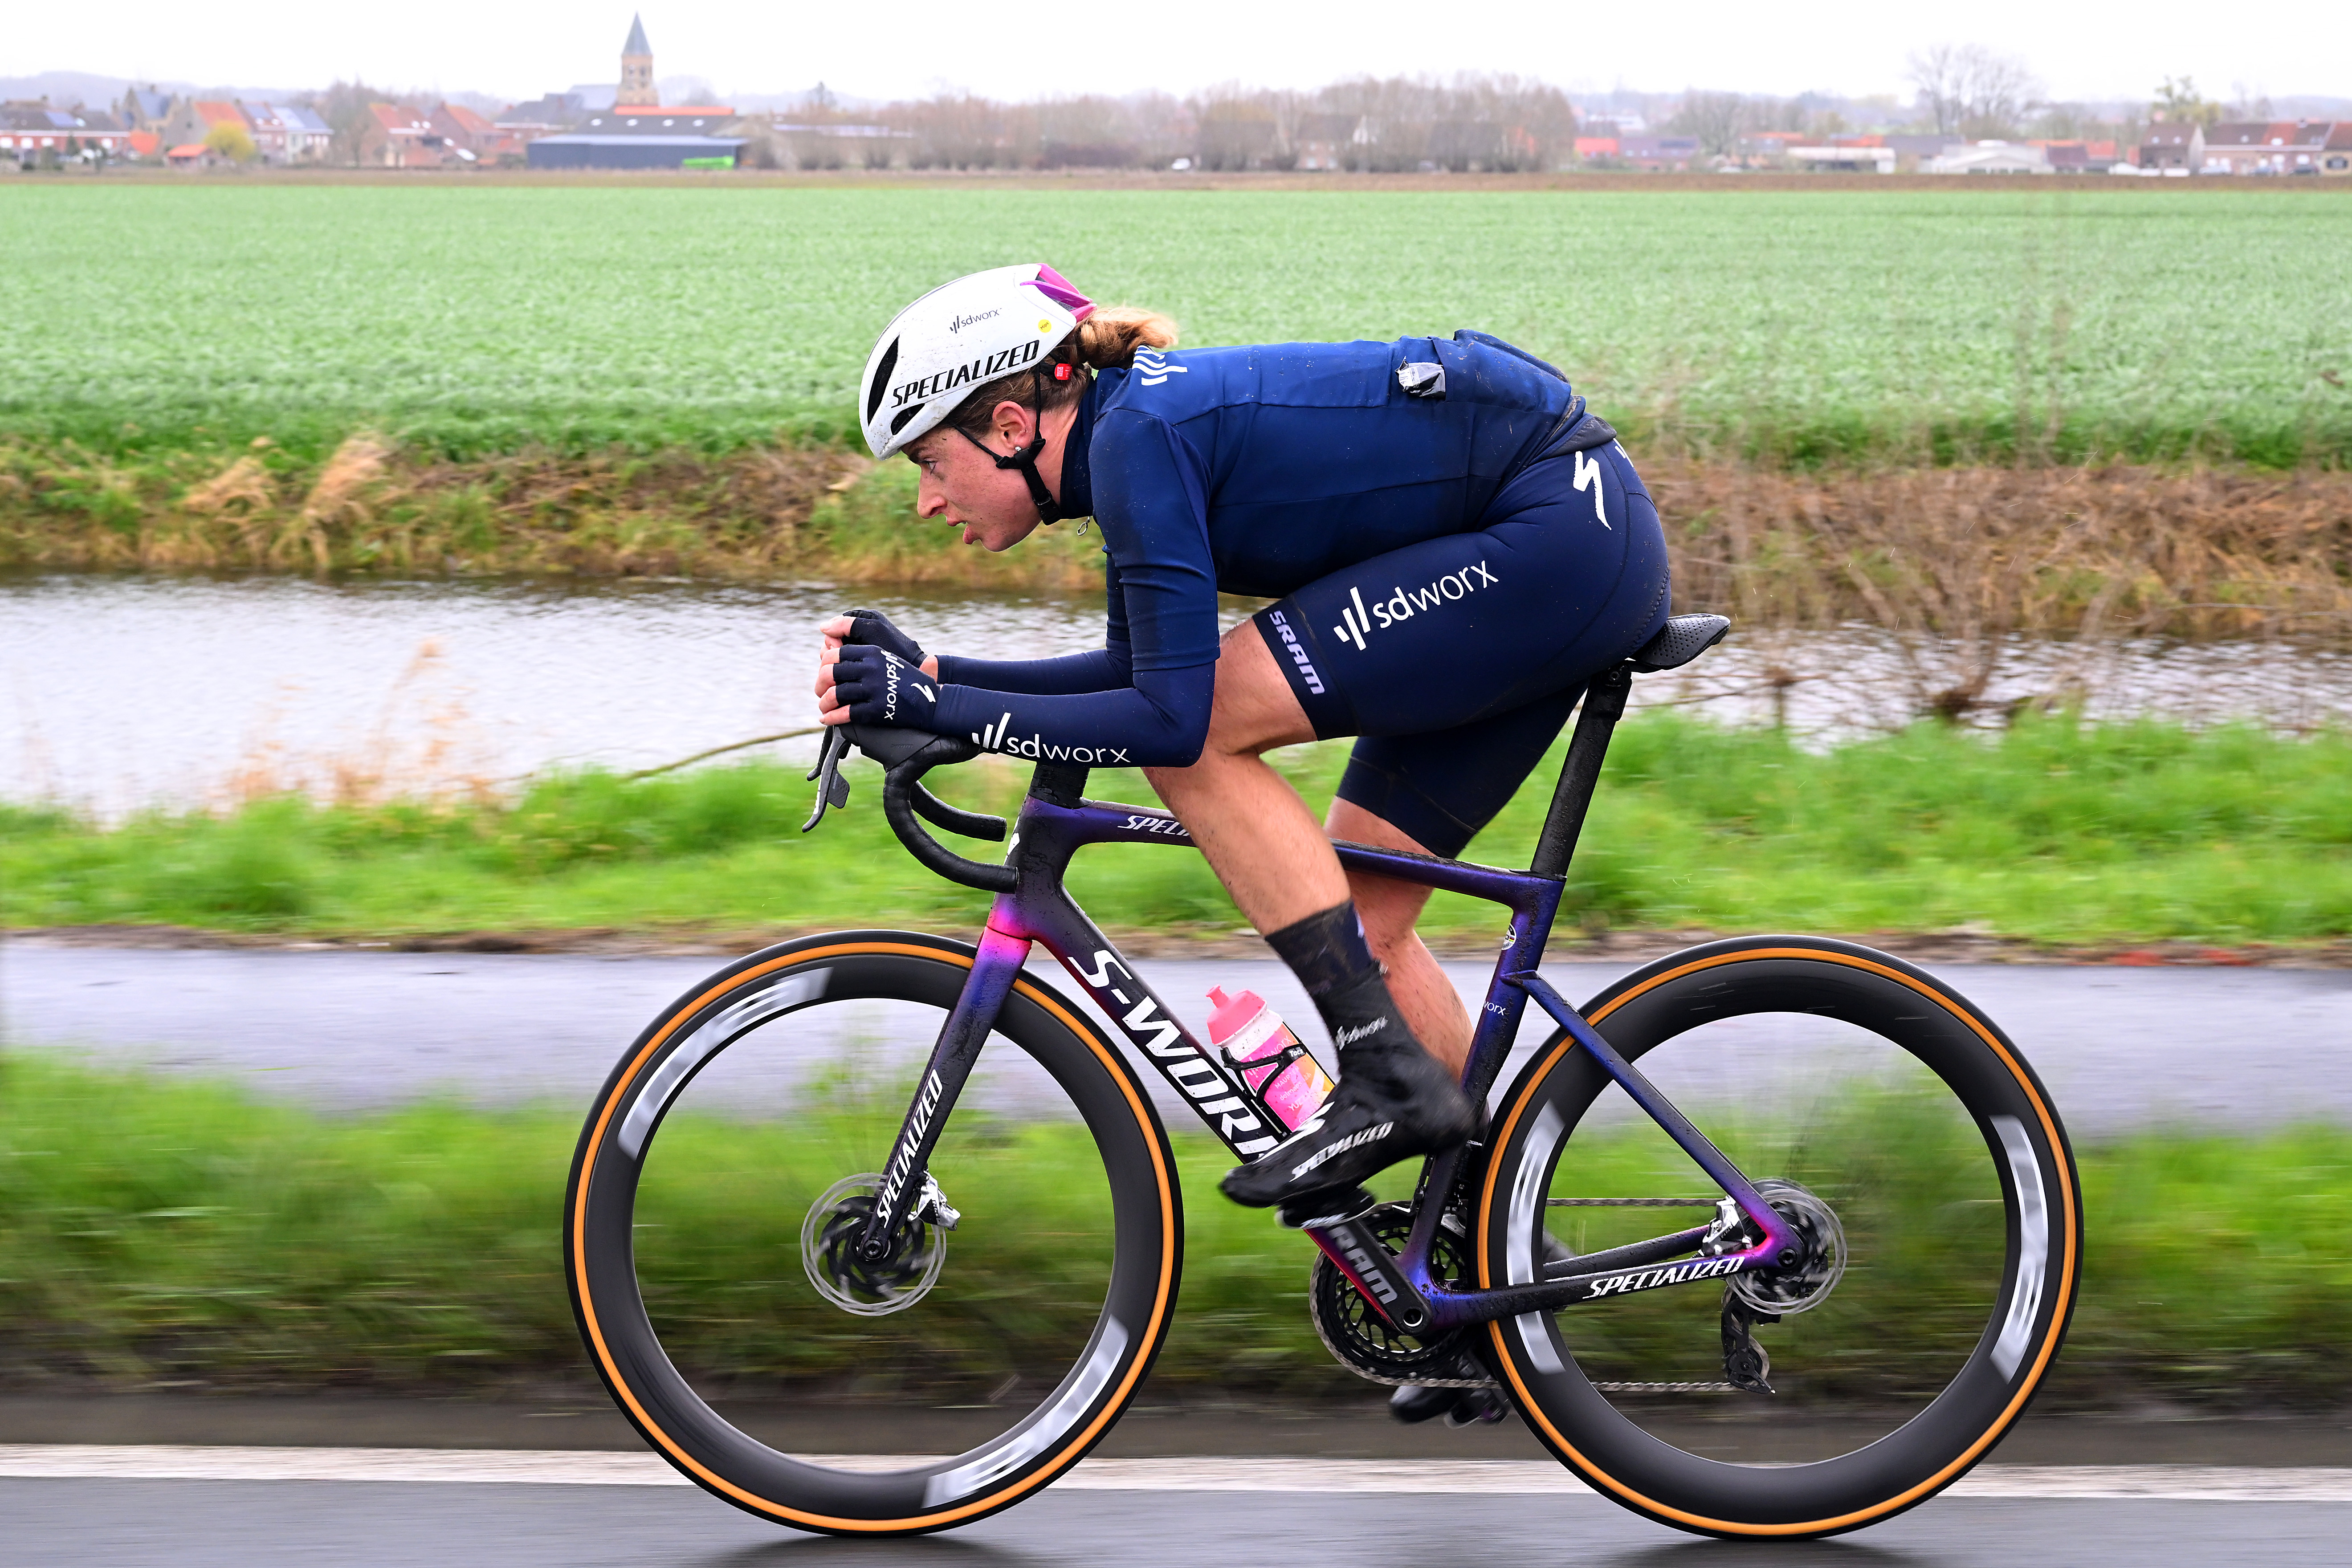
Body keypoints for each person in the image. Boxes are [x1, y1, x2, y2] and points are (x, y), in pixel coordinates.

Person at [815, 262, 1669, 1228]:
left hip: (1553, 534)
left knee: (1200, 736)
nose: (928, 502)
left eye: (930, 463)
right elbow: (1133, 676)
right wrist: (933, 681)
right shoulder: (1130, 444)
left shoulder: (1140, 441)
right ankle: (1477, 1262)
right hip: (1557, 542)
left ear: (1011, 429)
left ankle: (1385, 1072)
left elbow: (1169, 723)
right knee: (1369, 922)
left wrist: (943, 708)